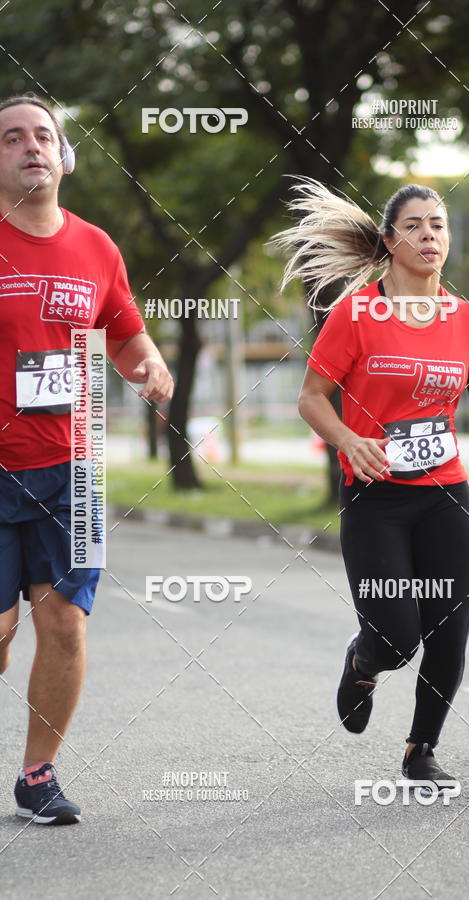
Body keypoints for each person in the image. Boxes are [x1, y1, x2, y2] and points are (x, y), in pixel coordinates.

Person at [273, 178, 469, 789]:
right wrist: (348, 440)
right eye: (416, 226)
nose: (430, 236)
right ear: (390, 240)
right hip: (376, 497)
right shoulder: (357, 314)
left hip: (444, 493)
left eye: (439, 225)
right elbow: (311, 399)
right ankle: (364, 661)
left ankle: (419, 750)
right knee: (397, 639)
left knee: (449, 632)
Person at [0, 93, 173, 824]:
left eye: (43, 135)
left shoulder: (97, 248)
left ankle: (39, 774)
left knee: (65, 623)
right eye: (12, 138)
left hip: (73, 470)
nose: (31, 147)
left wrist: (152, 364)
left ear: (63, 153)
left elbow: (124, 331)